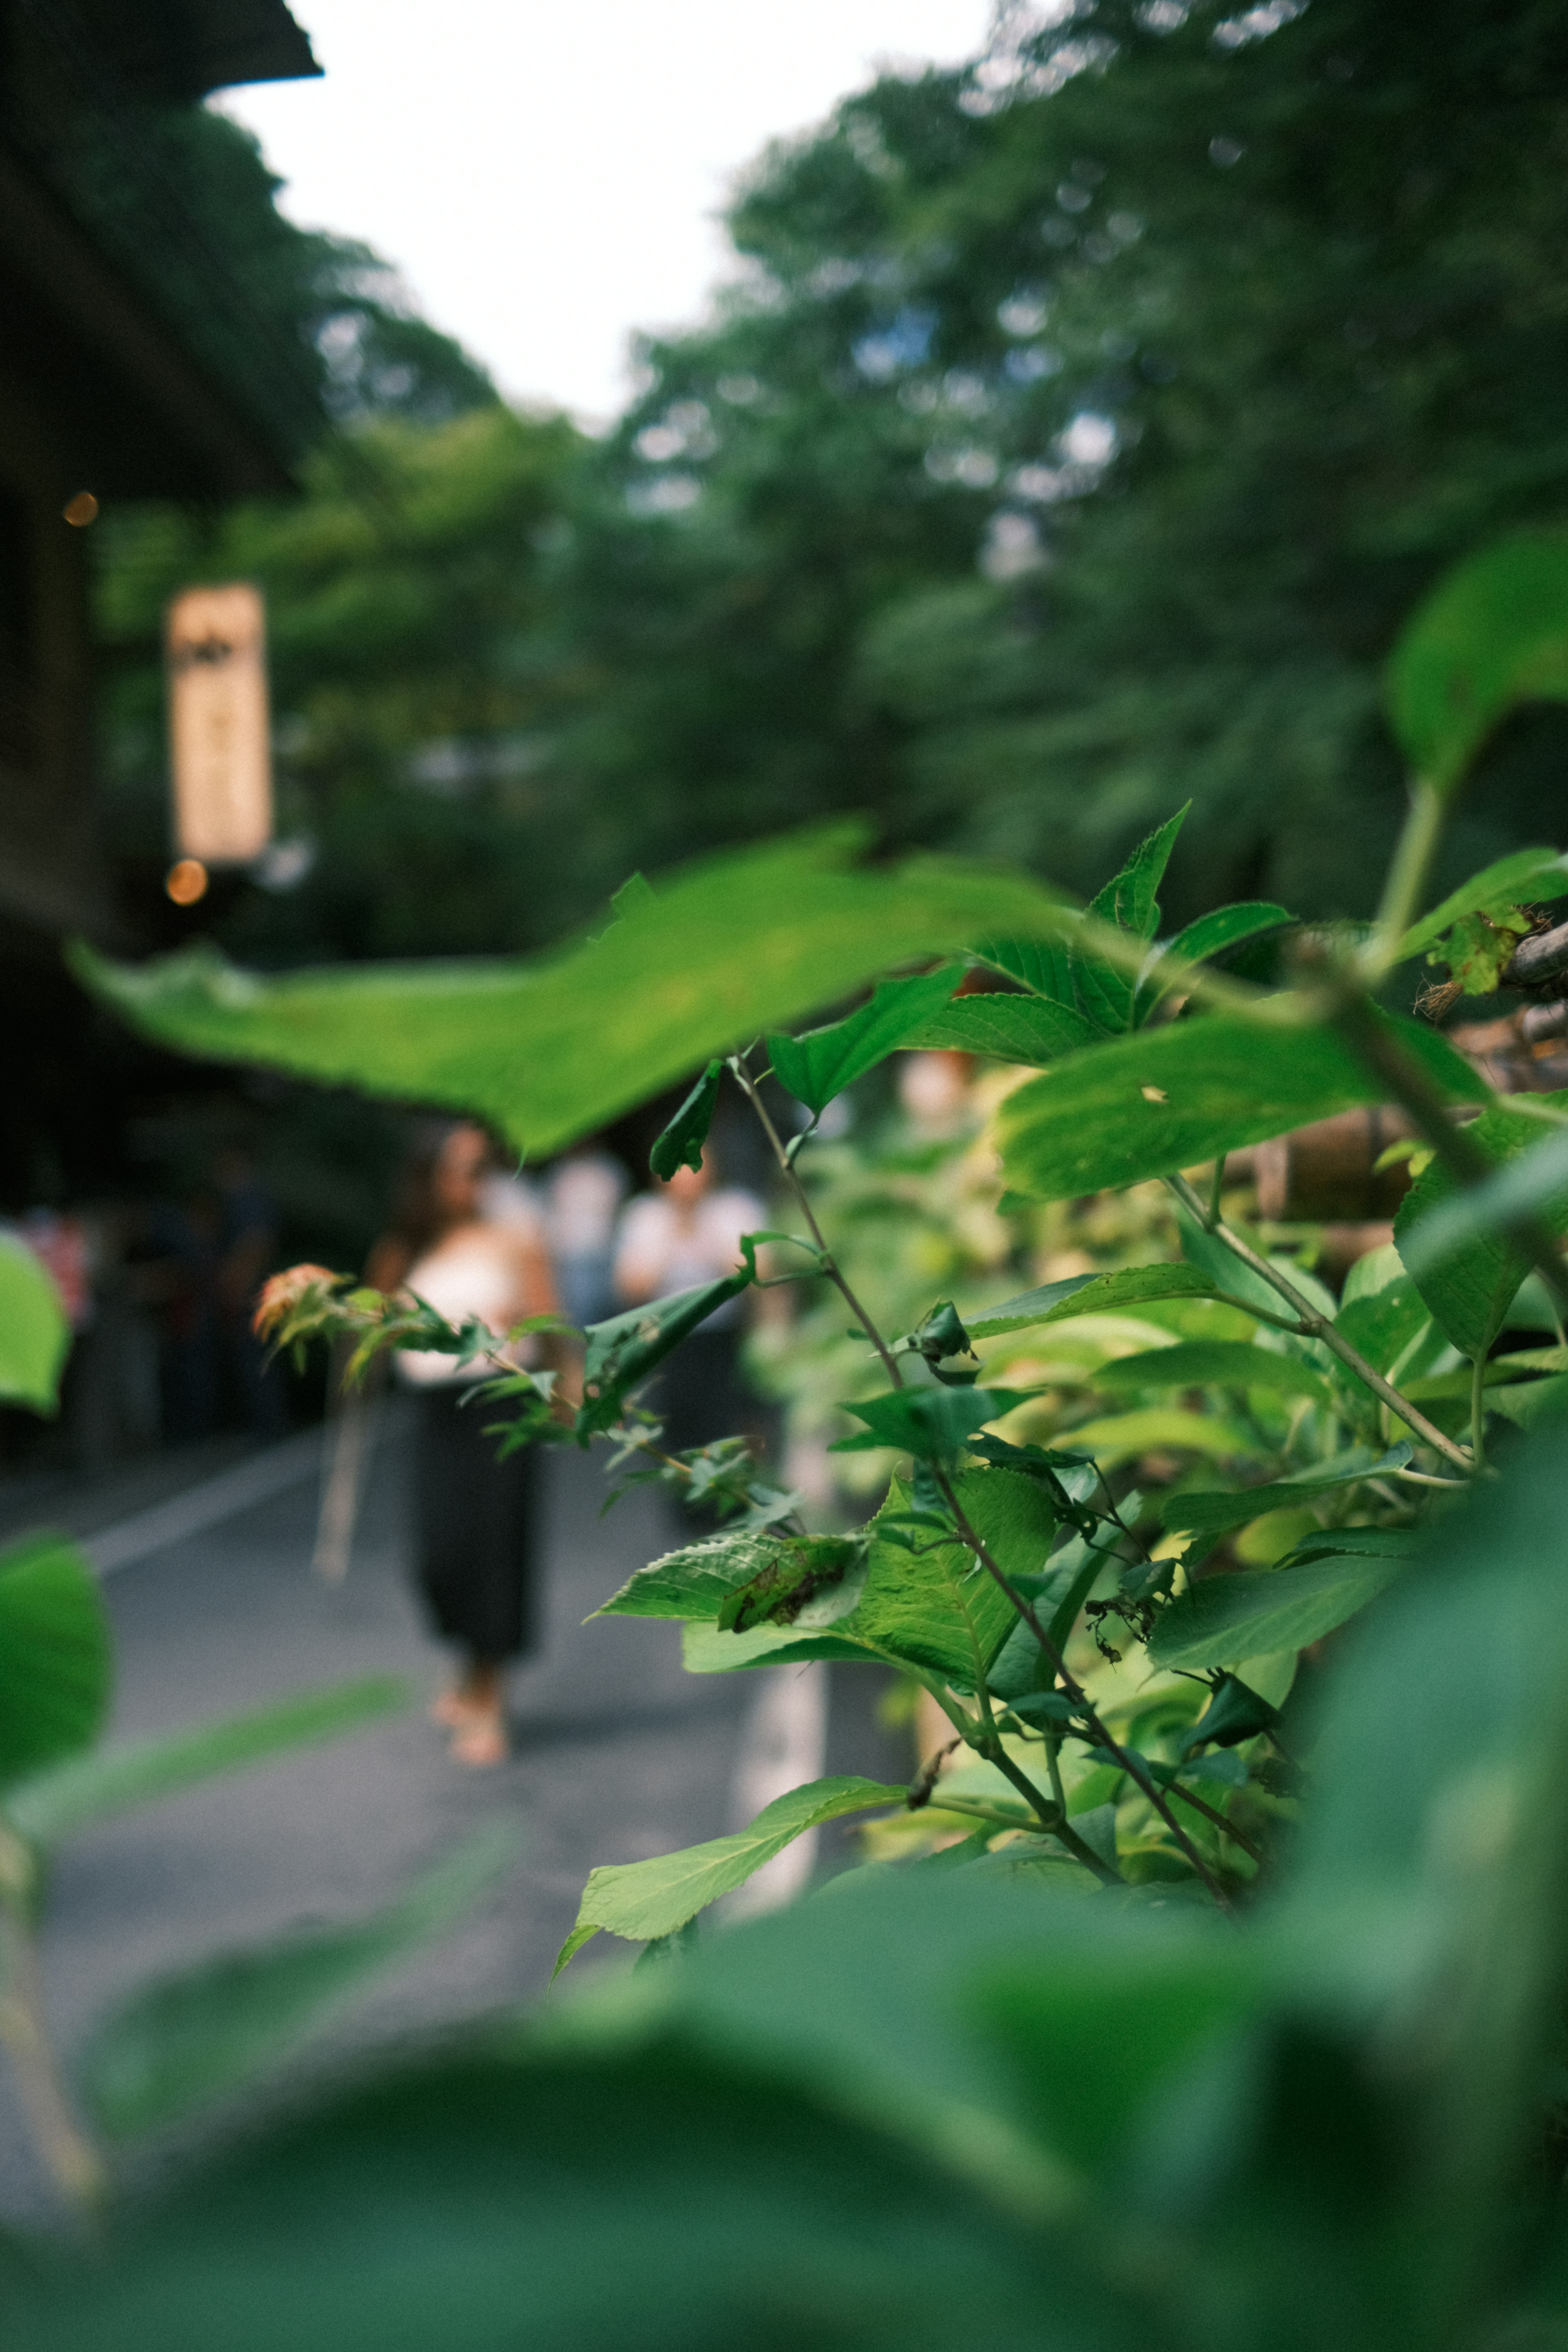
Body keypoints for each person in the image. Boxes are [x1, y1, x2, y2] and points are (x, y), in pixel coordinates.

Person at [367, 1120, 562, 1767]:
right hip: (435, 1414)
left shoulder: (515, 1239)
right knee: (441, 1556)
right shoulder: (407, 1249)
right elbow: (374, 1324)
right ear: (429, 1177)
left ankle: (489, 1695)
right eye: (462, 1168)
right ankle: (465, 1659)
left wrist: (552, 1368)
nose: (476, 1182)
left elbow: (552, 1321)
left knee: (495, 1552)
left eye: (484, 1168)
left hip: (502, 1408)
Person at [611, 1151, 767, 1463]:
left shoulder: (735, 1209)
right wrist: (671, 1239)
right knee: (676, 1429)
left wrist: (710, 1238)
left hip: (726, 1334)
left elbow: (761, 1273)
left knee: (729, 1425)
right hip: (670, 1338)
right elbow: (629, 1287)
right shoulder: (646, 1216)